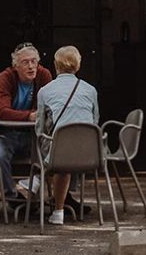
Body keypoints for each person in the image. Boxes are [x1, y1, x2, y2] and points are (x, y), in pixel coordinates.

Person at [35, 45, 99, 226]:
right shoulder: (91, 90)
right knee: (68, 147)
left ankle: (57, 208)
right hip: (89, 154)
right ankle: (62, 200)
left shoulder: (45, 91)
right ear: (78, 66)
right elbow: (94, 121)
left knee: (53, 150)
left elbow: (39, 128)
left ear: (56, 66)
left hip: (59, 154)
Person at [0, 42, 52, 200]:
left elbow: (49, 108)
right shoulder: (5, 77)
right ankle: (12, 197)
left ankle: (59, 197)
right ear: (15, 66)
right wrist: (29, 116)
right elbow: (2, 111)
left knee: (60, 151)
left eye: (34, 61)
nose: (31, 66)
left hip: (33, 136)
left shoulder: (43, 75)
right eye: (25, 62)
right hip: (4, 134)